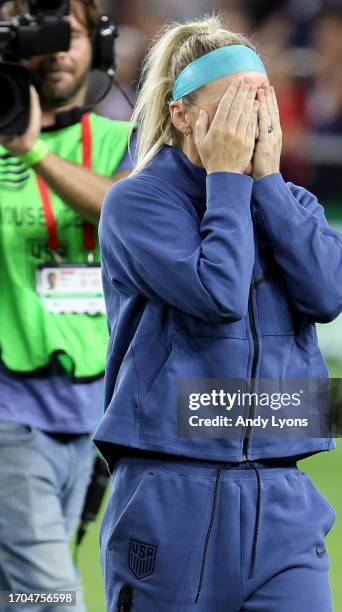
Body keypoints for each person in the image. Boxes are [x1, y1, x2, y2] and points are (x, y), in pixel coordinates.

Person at [95, 14, 342, 612]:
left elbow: (331, 292)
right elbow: (217, 295)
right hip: (172, 487)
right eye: (235, 105)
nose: (254, 121)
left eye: (262, 101)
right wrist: (225, 181)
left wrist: (265, 183)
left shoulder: (289, 200)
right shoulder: (136, 203)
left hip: (282, 489)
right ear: (182, 112)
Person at [0, 1, 132, 610]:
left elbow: (127, 214)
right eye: (37, 35)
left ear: (100, 45)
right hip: (10, 411)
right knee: (50, 598)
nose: (54, 50)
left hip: (91, 416)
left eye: (69, 35)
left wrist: (33, 152)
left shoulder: (122, 142)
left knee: (19, 597)